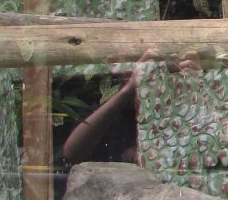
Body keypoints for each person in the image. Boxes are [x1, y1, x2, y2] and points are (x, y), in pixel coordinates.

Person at [62, 49, 198, 168]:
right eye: (134, 58)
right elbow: (72, 154)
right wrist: (129, 89)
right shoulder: (104, 116)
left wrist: (198, 90)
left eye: (154, 61)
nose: (145, 66)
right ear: (114, 64)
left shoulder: (175, 113)